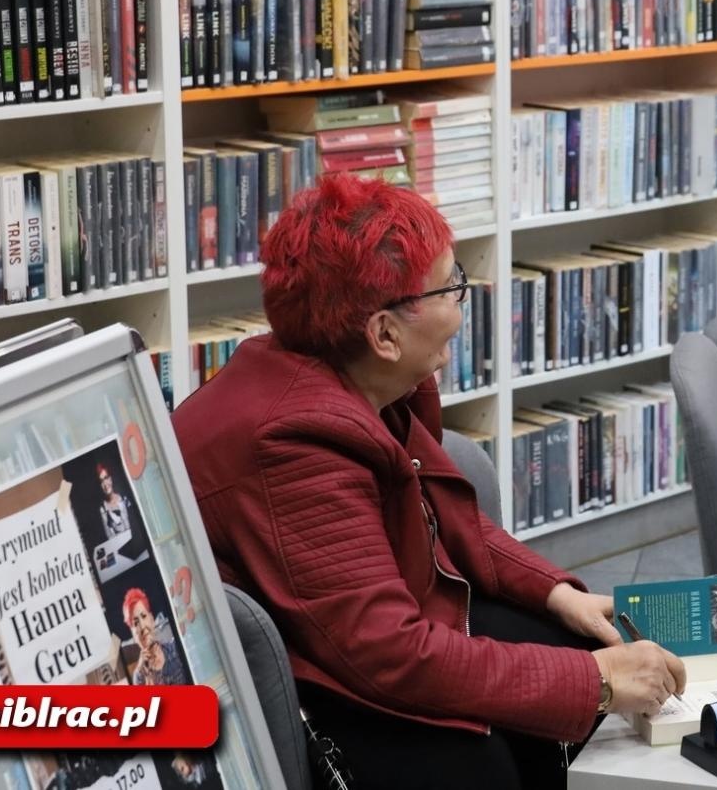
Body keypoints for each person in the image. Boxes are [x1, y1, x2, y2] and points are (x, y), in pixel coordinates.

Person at [172, 174, 687, 790]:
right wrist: (598, 682)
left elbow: (444, 514)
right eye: (453, 286)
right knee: (496, 757)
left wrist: (559, 594)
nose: (463, 302)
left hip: (361, 620)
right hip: (304, 674)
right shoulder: (296, 438)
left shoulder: (352, 371)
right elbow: (387, 653)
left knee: (566, 643)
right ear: (384, 334)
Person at [123, 588, 188, 687]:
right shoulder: (139, 678)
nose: (142, 626)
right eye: (135, 623)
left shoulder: (175, 648)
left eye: (144, 616)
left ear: (152, 619)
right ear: (133, 635)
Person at [97, 463, 133, 539]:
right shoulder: (103, 509)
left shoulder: (124, 498)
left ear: (110, 479)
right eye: (101, 481)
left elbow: (135, 522)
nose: (105, 484)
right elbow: (110, 538)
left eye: (106, 478)